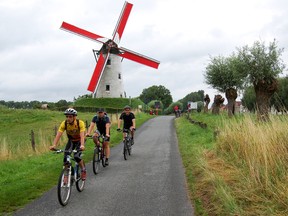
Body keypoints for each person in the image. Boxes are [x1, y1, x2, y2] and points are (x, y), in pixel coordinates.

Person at [50, 108, 87, 180]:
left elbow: (82, 135)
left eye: (70, 117)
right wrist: (54, 145)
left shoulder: (80, 123)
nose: (68, 118)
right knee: (66, 158)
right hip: (71, 141)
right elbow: (59, 134)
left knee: (76, 156)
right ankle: (69, 174)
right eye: (67, 116)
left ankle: (83, 169)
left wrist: (82, 145)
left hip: (80, 141)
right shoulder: (64, 123)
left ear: (74, 117)